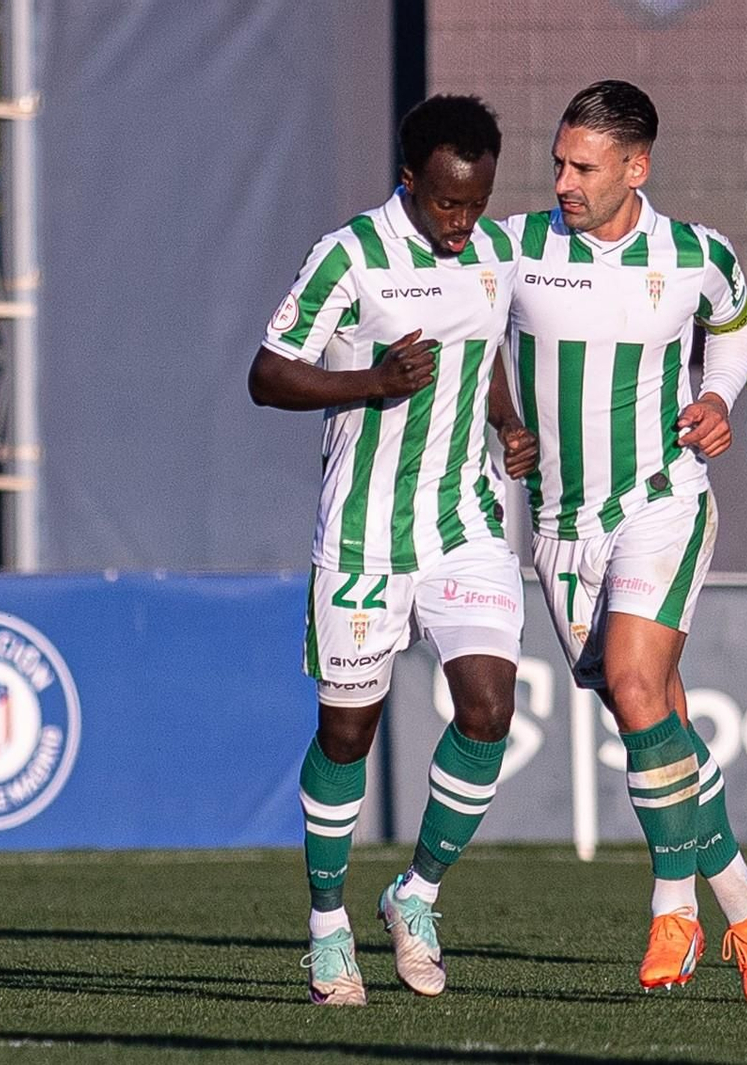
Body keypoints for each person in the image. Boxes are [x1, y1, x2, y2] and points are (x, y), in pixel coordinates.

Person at [498, 79, 747, 1005]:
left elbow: (737, 327)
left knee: (633, 682)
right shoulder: (514, 246)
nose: (564, 182)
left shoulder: (696, 253)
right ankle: (746, 899)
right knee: (652, 714)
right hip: (559, 525)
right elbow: (466, 339)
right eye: (558, 162)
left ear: (636, 167)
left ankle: (674, 908)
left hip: (662, 502)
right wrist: (499, 422)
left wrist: (718, 398)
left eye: (584, 167)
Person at [248, 94, 535, 1006]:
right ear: (409, 181)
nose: (463, 223)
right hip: (364, 535)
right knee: (348, 734)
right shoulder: (349, 255)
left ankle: (416, 894)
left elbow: (484, 346)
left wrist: (507, 421)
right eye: (447, 203)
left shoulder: (492, 252)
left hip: (464, 524)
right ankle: (327, 926)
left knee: (488, 708)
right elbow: (266, 374)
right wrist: (370, 380)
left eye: (477, 203)